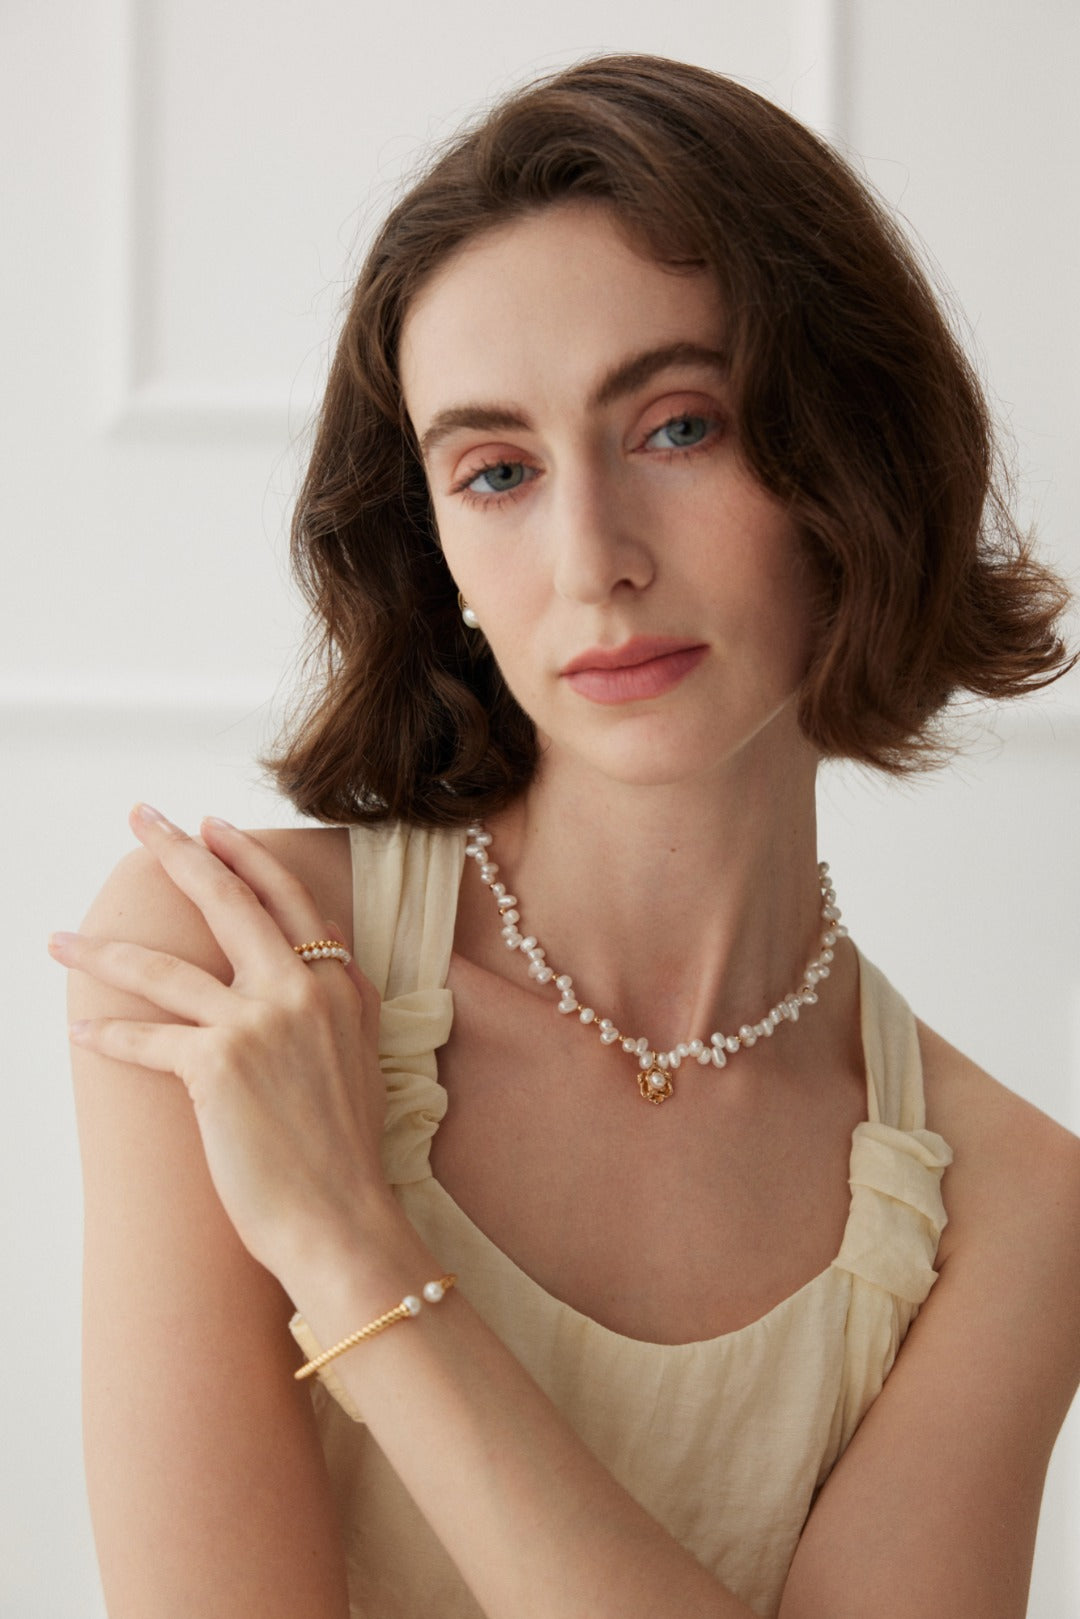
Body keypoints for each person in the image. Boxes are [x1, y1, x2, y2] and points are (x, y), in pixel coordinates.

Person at [53, 54, 1079, 1619]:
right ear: (438, 545)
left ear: (847, 460)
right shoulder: (227, 962)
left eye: (676, 428)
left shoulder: (1009, 1202)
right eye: (499, 471)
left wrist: (351, 1252)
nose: (591, 559)